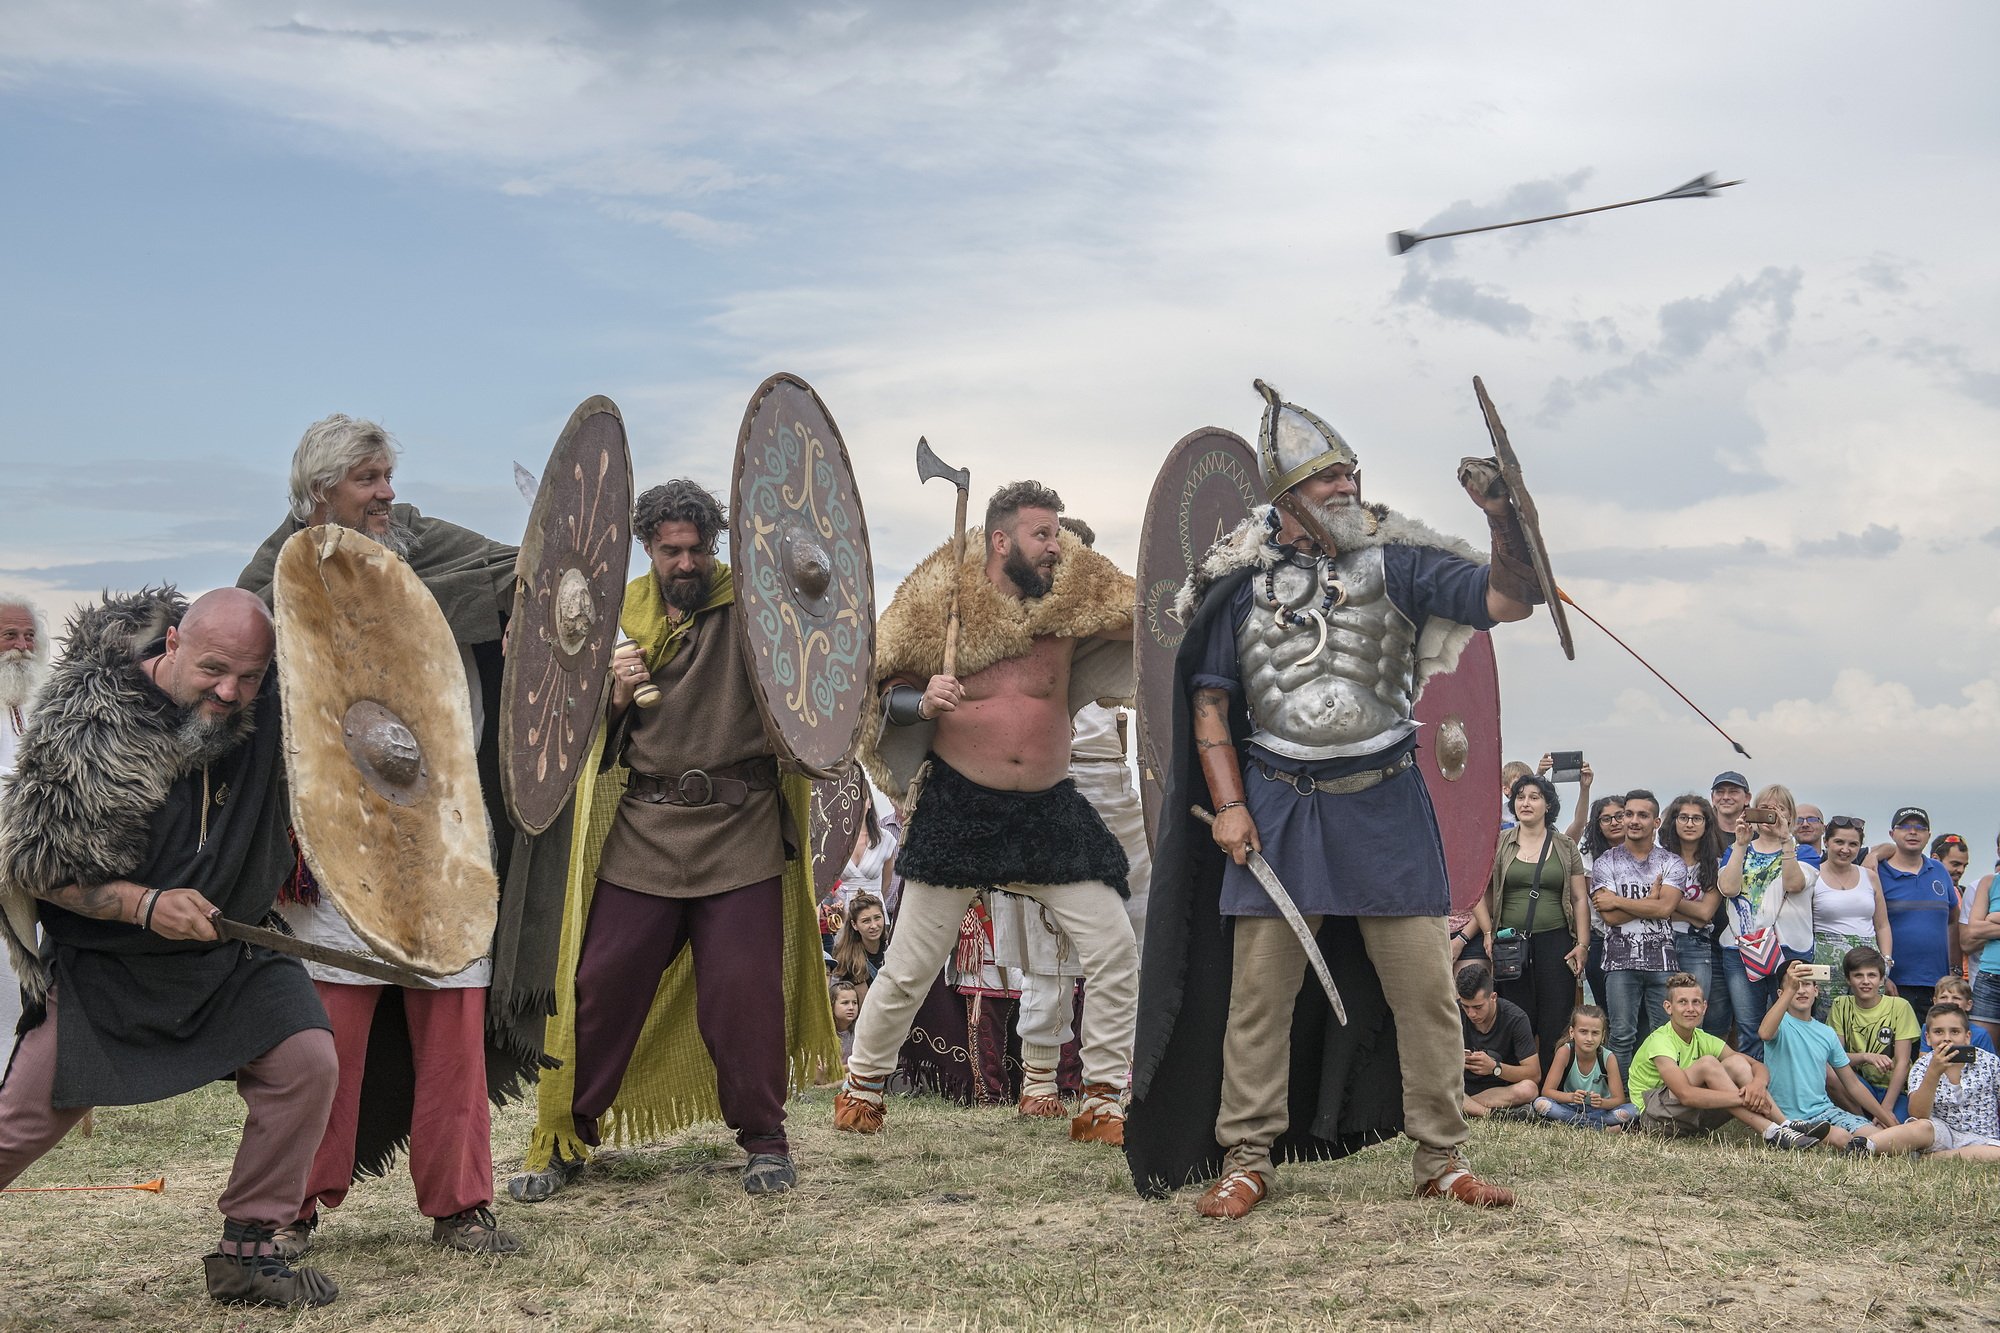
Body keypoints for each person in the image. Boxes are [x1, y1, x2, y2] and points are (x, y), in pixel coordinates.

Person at [1129, 379, 1542, 1217]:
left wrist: (1504, 520)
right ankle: (1247, 1155)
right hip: (1278, 806)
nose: (1347, 487)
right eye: (1327, 478)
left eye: (1351, 472)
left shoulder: (1400, 563)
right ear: (1285, 497)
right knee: (1258, 997)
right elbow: (1208, 700)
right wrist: (1231, 802)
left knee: (1425, 991)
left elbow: (1506, 599)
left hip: (1387, 802)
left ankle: (1441, 1156)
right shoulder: (1238, 585)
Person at [239, 413, 542, 1257]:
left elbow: (522, 576)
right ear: (318, 492)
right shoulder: (276, 576)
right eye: (369, 479)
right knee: (325, 1036)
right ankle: (291, 1204)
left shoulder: (421, 540)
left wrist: (521, 615)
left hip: (441, 824)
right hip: (335, 838)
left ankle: (461, 1203)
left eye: (386, 474)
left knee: (451, 1027)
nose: (387, 493)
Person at [0, 588, 341, 1306]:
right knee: (18, 1126)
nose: (230, 691)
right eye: (215, 668)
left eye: (249, 676)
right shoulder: (88, 724)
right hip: (108, 970)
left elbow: (316, 587)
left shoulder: (266, 699)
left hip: (234, 957)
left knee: (305, 1061)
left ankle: (250, 1252)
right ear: (175, 642)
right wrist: (145, 904)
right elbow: (37, 866)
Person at [510, 480, 839, 1202]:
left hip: (740, 824)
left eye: (696, 549)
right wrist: (615, 691)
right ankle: (569, 1133)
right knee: (599, 982)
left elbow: (814, 668)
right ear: (647, 548)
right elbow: (569, 724)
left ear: (714, 546)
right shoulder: (615, 614)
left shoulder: (754, 604)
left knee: (744, 991)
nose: (685, 563)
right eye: (670, 551)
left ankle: (764, 1139)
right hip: (646, 827)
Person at [838, 481, 1138, 1146]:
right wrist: (923, 698)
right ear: (1001, 540)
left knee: (1114, 947)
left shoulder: (1071, 601)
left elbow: (1146, 620)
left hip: (1048, 809)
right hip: (960, 804)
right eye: (1043, 534)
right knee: (914, 961)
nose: (1057, 546)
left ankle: (1103, 1098)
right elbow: (880, 686)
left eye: (1059, 533)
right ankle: (861, 1082)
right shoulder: (939, 604)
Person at [1061, 515, 1154, 949]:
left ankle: (1135, 1013)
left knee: (1140, 903)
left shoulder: (1113, 605)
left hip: (1113, 780)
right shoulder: (1028, 610)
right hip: (1062, 779)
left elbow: (1150, 625)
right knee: (1054, 947)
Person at [1624, 974, 1818, 1149]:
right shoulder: (1661, 1041)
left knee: (1737, 1063)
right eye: (1682, 1002)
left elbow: (1757, 1066)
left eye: (1696, 1002)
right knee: (1708, 1064)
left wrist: (1757, 1087)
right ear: (1669, 1007)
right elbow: (1685, 1095)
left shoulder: (1702, 1038)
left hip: (1688, 1118)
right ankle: (1771, 1132)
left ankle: (1784, 1124)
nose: (1690, 1009)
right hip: (1655, 1120)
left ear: (1704, 1007)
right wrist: (1746, 1099)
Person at [1481, 773, 1587, 1072]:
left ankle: (1551, 1089)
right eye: (1520, 797)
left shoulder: (1565, 846)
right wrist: (1488, 932)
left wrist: (1582, 943)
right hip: (1509, 943)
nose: (1526, 803)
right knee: (1515, 1014)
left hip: (1556, 942)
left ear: (1548, 804)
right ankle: (1520, 1085)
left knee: (1556, 1017)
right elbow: (1478, 891)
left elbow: (1580, 898)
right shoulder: (1498, 842)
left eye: (1534, 797)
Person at [1589, 789, 1689, 1073]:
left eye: (1642, 815)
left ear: (1656, 822)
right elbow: (1608, 917)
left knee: (1663, 1037)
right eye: (1628, 814)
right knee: (1621, 1036)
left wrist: (1619, 900)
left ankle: (1659, 1103)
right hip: (1619, 961)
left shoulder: (1671, 862)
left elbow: (1665, 909)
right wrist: (1649, 901)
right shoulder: (1606, 862)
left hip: (1663, 961)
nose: (1633, 820)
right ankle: (1620, 1103)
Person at [1714, 784, 1814, 1060]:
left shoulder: (1803, 851)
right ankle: (1754, 1092)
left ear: (1790, 816)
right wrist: (1741, 844)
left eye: (1779, 809)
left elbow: (1795, 884)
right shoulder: (1737, 848)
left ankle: (1788, 1091)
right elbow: (1729, 888)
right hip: (1742, 949)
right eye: (1766, 808)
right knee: (1749, 1027)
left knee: (1790, 1023)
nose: (1772, 815)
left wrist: (1785, 842)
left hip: (1788, 950)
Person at [1757, 961, 1894, 1148]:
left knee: (1881, 1137)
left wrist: (1886, 1118)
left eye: (1807, 984)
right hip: (1792, 1119)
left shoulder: (1826, 1032)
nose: (1801, 990)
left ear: (1816, 990)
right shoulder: (1780, 1023)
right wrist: (1790, 989)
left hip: (1826, 1111)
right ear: (1782, 993)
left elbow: (1852, 1084)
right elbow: (1764, 1033)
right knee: (1842, 1138)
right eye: (1795, 985)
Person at [1849, 1004, 2000, 1161]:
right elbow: (1918, 1113)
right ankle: (1866, 1145)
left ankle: (1930, 1158)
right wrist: (1933, 1073)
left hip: (1983, 1138)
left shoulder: (1989, 1062)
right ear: (1928, 1038)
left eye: (1955, 1031)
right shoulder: (1922, 1066)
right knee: (1920, 1127)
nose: (1946, 1038)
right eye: (1938, 1032)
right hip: (1942, 1132)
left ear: (1967, 1036)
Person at [0, 593, 49, 1036]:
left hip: (32, 869)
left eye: (29, 635)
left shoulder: (36, 706)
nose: (21, 646)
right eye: (9, 635)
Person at [1873, 807, 1961, 1016]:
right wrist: (1882, 976)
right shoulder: (1877, 872)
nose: (1913, 832)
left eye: (1920, 828)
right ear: (1891, 834)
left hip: (1937, 984)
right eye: (1904, 826)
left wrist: (1954, 972)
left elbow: (1952, 921)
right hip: (1894, 983)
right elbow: (1872, 926)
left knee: (1933, 1045)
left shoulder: (1939, 870)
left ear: (1929, 835)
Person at [1809, 817, 1892, 1016]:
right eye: (1839, 842)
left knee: (1869, 1018)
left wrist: (1886, 961)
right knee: (1827, 1019)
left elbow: (1882, 924)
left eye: (1853, 844)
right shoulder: (1812, 875)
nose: (1845, 849)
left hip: (1867, 959)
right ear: (1826, 842)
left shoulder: (1869, 876)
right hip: (1826, 959)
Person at [1826, 945, 1919, 1120]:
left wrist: (1886, 1109)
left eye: (1872, 975)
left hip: (1894, 1090)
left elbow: (1903, 1063)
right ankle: (1862, 1122)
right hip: (1859, 1087)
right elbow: (1835, 1058)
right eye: (1858, 975)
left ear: (1882, 979)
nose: (1865, 981)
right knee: (1828, 1070)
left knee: (1897, 1132)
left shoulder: (1899, 1006)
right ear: (1848, 979)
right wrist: (1865, 1056)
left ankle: (1878, 1120)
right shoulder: (1841, 1005)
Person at [1658, 794, 1725, 1035]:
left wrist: (1668, 901)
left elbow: (1706, 913)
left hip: (1697, 943)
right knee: (1661, 1015)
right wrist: (1677, 909)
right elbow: (1654, 908)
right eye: (1683, 817)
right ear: (1673, 821)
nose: (1689, 823)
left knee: (1693, 1016)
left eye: (1697, 818)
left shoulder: (1716, 864)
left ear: (1707, 824)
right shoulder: (1658, 860)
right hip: (1659, 942)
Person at [1533, 1005, 1636, 1130]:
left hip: (1601, 1111)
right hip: (1571, 1108)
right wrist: (1571, 1097)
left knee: (1634, 1110)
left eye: (1595, 1033)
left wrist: (1602, 1102)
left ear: (1602, 1036)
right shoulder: (1565, 1052)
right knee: (1540, 1104)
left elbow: (1619, 1099)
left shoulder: (1608, 1058)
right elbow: (1547, 1091)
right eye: (1583, 1032)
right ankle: (1600, 1128)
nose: (1589, 1038)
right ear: (1572, 1032)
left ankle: (1576, 1125)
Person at [1456, 965, 1539, 1117]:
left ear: (1493, 997)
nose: (1471, 1014)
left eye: (1478, 1007)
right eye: (1465, 1007)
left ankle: (1462, 1106)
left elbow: (1534, 1074)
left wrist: (1494, 1068)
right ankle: (1490, 1114)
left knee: (1529, 1088)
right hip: (1459, 1085)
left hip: (1497, 1090)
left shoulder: (1515, 1018)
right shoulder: (1453, 1013)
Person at [1577, 795, 1627, 1012]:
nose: (1614, 823)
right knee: (1605, 1009)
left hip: (1640, 939)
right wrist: (1648, 903)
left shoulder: (1649, 853)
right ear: (1598, 825)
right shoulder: (1588, 855)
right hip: (1601, 937)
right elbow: (1601, 902)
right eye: (1606, 819)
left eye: (1619, 816)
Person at [834, 801, 896, 912]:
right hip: (844, 911)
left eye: (863, 797)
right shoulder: (836, 839)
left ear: (870, 802)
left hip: (873, 911)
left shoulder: (885, 838)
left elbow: (887, 881)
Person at [830, 893, 890, 1004]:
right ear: (854, 925)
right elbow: (866, 1006)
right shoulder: (849, 957)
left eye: (877, 918)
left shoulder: (891, 948)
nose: (874, 925)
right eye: (866, 921)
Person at [1965, 872, 2000, 1050]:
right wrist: (1983, 924)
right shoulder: (1989, 882)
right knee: (1982, 1053)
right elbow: (1974, 930)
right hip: (1989, 978)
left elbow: (1982, 926)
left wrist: (1993, 918)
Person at [1924, 976, 1995, 1056]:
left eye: (1956, 998)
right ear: (1935, 1002)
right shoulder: (1928, 1027)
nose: (1949, 1002)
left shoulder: (1981, 1034)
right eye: (1943, 997)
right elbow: (1924, 1057)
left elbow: (1989, 1063)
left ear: (1968, 1005)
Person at [1710, 771, 1751, 847]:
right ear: (1712, 798)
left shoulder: (1759, 837)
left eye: (1733, 792)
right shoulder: (1703, 835)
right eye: (1720, 792)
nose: (1726, 797)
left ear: (1747, 798)